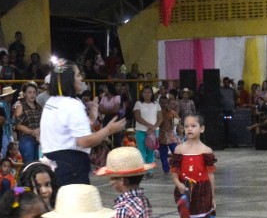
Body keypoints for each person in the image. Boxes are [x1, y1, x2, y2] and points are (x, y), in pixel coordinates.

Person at [39, 62, 125, 191]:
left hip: (51, 165)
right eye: (78, 75)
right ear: (69, 80)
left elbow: (68, 132)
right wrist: (108, 130)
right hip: (71, 167)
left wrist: (92, 117)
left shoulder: (51, 102)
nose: (81, 79)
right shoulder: (72, 104)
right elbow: (84, 141)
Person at [170, 112, 217, 218]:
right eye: (186, 126)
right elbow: (174, 173)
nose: (189, 129)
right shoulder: (179, 150)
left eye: (193, 126)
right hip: (185, 192)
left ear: (202, 129)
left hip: (202, 191)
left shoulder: (206, 150)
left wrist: (213, 197)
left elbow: (210, 175)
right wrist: (179, 184)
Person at [13, 82, 43, 163]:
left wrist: (38, 132)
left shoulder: (39, 107)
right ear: (24, 94)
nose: (32, 95)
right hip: (27, 138)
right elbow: (18, 125)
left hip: (40, 137)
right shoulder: (20, 105)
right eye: (29, 92)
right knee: (29, 164)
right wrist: (33, 132)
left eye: (34, 92)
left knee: (39, 164)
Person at [132, 85, 162, 167]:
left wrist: (154, 127)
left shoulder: (156, 104)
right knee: (141, 151)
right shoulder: (138, 103)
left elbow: (160, 118)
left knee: (151, 151)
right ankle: (143, 170)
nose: (147, 94)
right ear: (142, 94)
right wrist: (150, 126)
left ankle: (150, 171)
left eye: (149, 92)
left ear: (152, 94)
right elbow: (138, 117)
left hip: (154, 131)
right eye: (145, 92)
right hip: (141, 130)